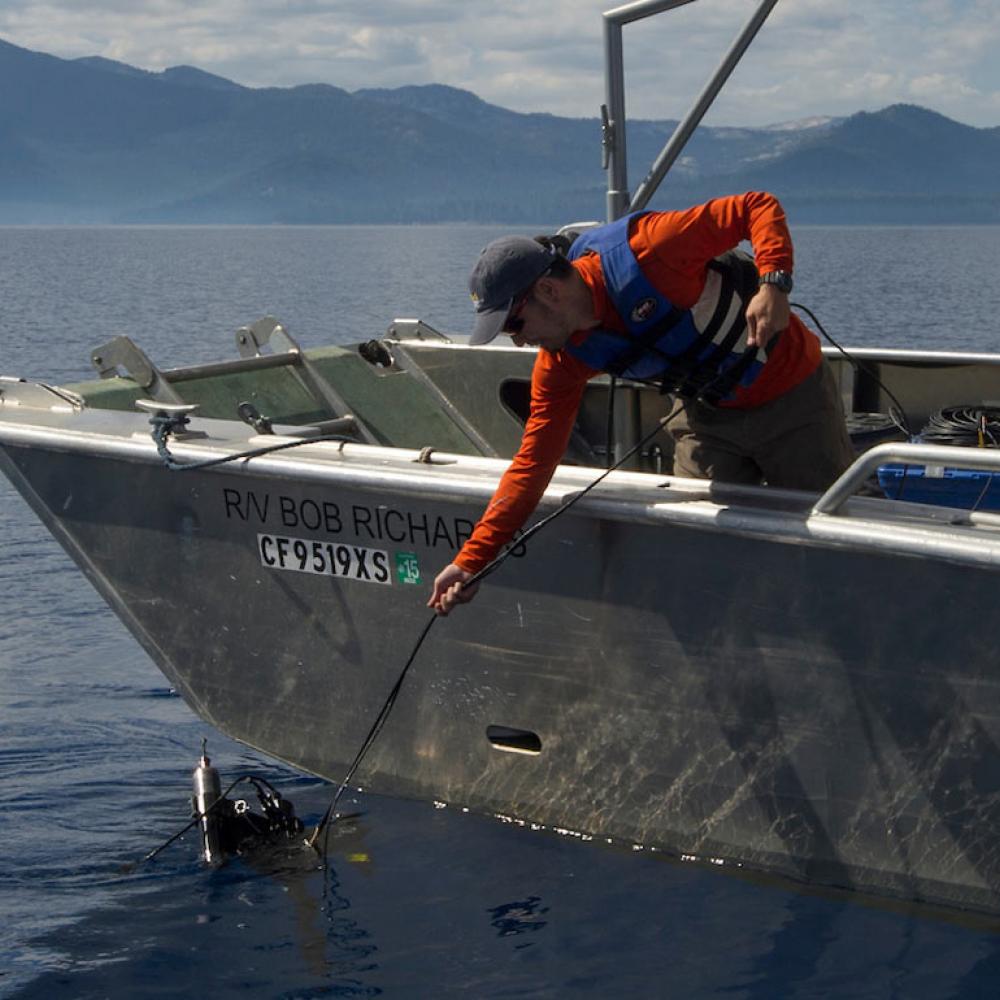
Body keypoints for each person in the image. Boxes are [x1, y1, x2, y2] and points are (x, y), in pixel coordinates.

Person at [429, 191, 854, 615]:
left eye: (515, 324)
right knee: (696, 543)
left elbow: (756, 206)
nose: (519, 339)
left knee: (826, 537)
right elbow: (532, 464)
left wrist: (773, 283)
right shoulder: (562, 361)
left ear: (548, 290)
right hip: (705, 417)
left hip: (793, 399)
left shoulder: (652, 249)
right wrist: (470, 560)